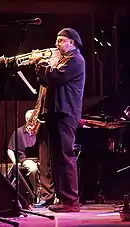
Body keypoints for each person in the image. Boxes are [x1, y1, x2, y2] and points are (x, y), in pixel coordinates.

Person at [30, 28, 86, 212]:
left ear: (72, 42)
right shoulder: (63, 60)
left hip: (66, 113)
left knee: (65, 157)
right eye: (57, 40)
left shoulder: (75, 60)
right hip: (57, 113)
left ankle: (71, 201)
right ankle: (64, 200)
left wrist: (40, 62)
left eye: (61, 40)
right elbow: (47, 80)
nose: (57, 44)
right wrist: (41, 67)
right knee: (57, 159)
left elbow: (54, 76)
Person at [7, 109, 39, 197]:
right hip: (26, 160)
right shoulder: (19, 132)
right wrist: (14, 162)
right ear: (27, 119)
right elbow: (10, 149)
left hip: (41, 159)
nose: (34, 122)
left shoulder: (39, 131)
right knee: (33, 169)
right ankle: (36, 194)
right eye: (32, 120)